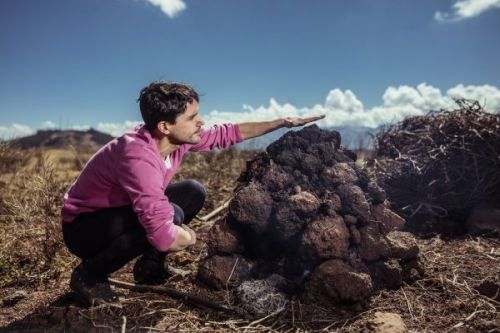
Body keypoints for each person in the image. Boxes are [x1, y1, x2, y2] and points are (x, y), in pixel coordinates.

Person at [61, 81, 324, 307]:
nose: (201, 122)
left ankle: (150, 268)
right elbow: (164, 235)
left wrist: (282, 122)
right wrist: (188, 237)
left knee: (192, 192)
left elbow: (230, 133)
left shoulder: (174, 140)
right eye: (192, 117)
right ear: (165, 126)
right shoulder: (137, 157)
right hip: (84, 228)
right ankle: (90, 275)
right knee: (171, 215)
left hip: (117, 210)